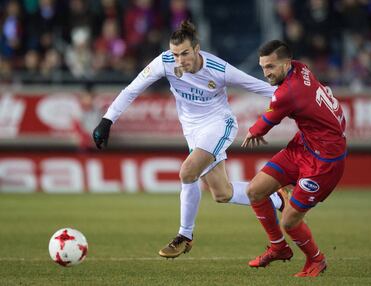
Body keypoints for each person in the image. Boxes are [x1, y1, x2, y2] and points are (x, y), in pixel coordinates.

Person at [92, 20, 287, 259]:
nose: (179, 60)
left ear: (196, 49)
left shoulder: (218, 69)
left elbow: (258, 86)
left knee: (187, 171)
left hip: (219, 123)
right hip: (192, 130)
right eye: (175, 54)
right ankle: (275, 196)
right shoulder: (164, 62)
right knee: (221, 193)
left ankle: (184, 236)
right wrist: (107, 120)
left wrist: (309, 92)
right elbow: (132, 89)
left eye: (184, 53)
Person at [241, 40, 346, 277]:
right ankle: (278, 247)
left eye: (271, 67)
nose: (266, 73)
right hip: (304, 145)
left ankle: (316, 260)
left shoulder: (288, 93)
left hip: (324, 162)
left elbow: (265, 123)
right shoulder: (301, 67)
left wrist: (253, 131)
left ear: (287, 63)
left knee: (289, 221)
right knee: (254, 191)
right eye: (263, 67)